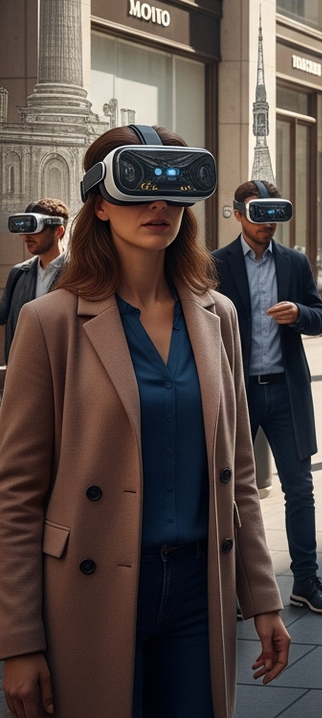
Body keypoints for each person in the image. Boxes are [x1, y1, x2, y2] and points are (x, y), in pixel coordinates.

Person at [0, 126, 288, 718]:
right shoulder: (48, 321)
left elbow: (240, 471)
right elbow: (17, 496)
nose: (159, 203)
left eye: (176, 182)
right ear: (98, 203)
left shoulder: (218, 315)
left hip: (199, 586)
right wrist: (18, 639)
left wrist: (262, 596)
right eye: (136, 183)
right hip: (87, 587)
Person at [212, 180, 322, 615]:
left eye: (272, 214)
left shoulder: (295, 262)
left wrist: (299, 314)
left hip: (285, 391)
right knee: (227, 493)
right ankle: (234, 587)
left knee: (300, 489)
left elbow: (321, 316)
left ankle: (306, 580)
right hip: (235, 392)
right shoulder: (216, 264)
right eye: (257, 214)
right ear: (239, 214)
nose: (267, 223)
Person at [0, 197, 68, 361]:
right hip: (24, 369)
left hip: (63, 372)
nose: (26, 237)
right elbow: (3, 315)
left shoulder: (79, 274)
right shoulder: (18, 273)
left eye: (35, 228)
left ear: (59, 231)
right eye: (24, 230)